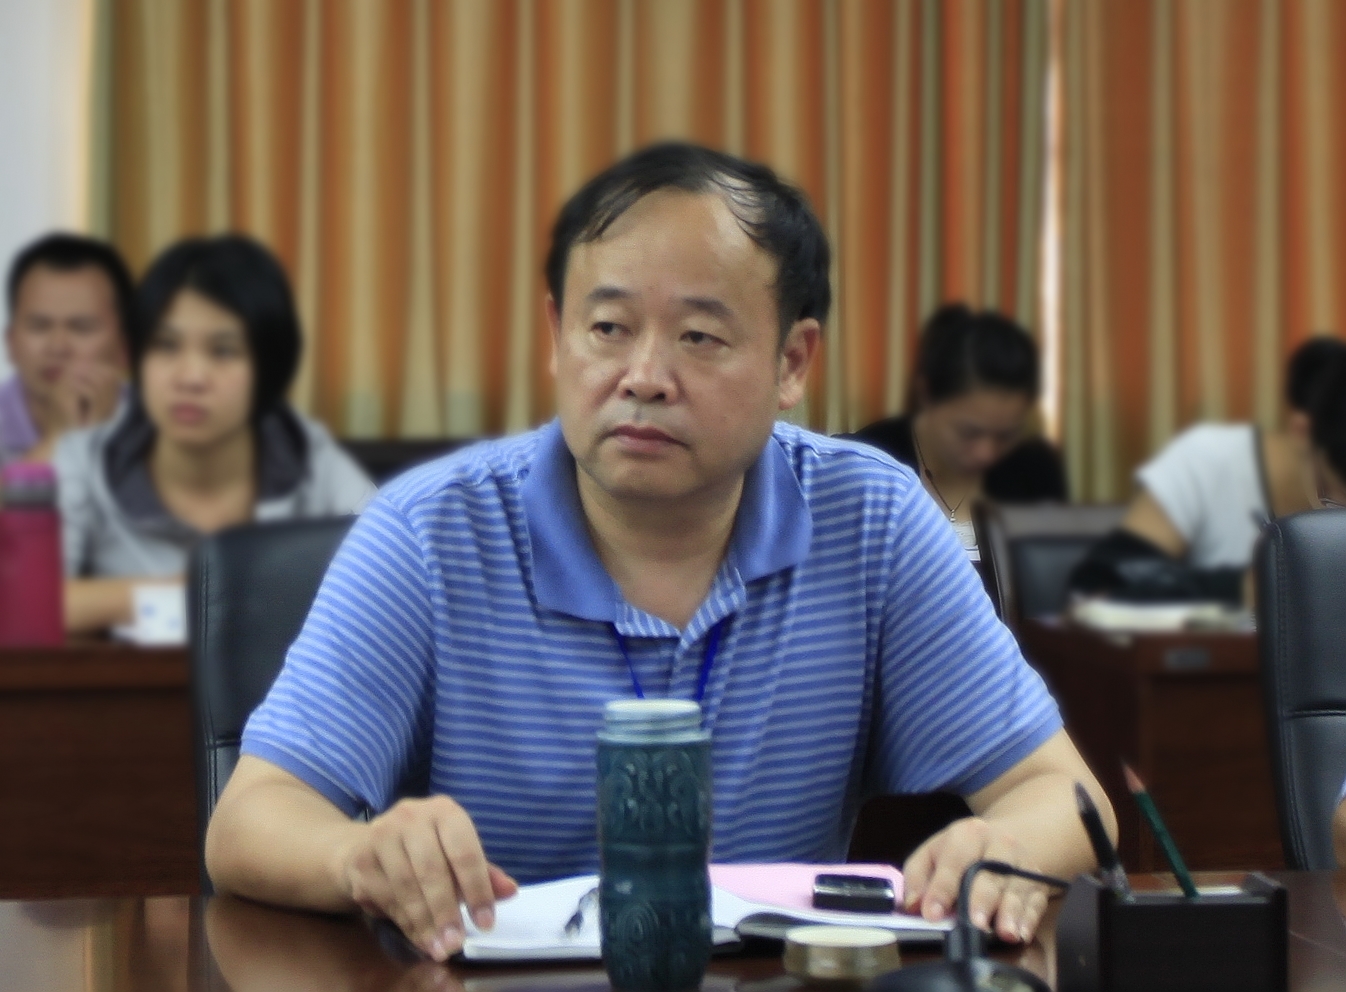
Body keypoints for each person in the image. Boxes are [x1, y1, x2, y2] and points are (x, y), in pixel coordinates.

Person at [205, 143, 1113, 961]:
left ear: (793, 364)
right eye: (608, 328)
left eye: (698, 337)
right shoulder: (431, 533)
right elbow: (249, 820)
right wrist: (359, 854)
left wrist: (1011, 847)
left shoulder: (869, 518)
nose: (643, 376)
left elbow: (1063, 795)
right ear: (557, 336)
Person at [56, 234, 375, 634]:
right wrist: (189, 593)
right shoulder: (86, 461)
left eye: (223, 351)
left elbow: (396, 581)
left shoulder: (307, 457)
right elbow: (23, 607)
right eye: (166, 346)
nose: (191, 377)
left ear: (267, 369)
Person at [1069, 335, 1346, 604]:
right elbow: (1094, 590)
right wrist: (1245, 588)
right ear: (1302, 432)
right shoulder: (1208, 462)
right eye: (1336, 498)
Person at [848, 305, 1065, 559]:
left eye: (1005, 435)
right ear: (927, 394)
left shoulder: (1034, 470)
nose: (986, 453)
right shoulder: (865, 463)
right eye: (968, 432)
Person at [1, 233, 134, 466]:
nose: (58, 347)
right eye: (39, 326)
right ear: (11, 343)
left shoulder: (157, 422)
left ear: (125, 347)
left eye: (81, 327)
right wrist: (60, 440)